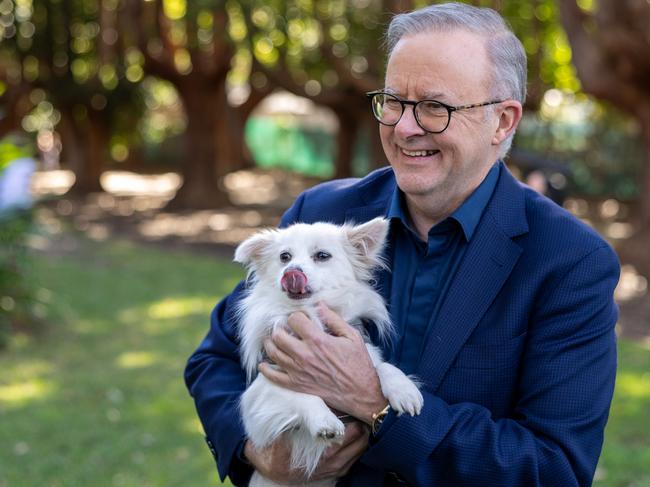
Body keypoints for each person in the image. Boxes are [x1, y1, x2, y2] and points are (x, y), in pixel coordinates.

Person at [185, 3, 620, 486]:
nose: (405, 127)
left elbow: (552, 467)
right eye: (393, 101)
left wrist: (376, 402)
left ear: (502, 121)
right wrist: (254, 450)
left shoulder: (571, 260)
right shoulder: (317, 218)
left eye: (436, 106)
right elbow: (216, 360)